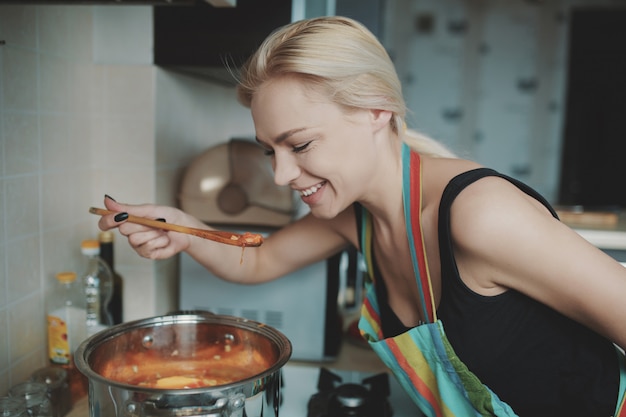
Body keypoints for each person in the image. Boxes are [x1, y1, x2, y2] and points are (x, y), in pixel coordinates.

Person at [96, 16, 626, 416]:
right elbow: (255, 263)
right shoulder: (354, 215)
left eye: (299, 144)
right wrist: (182, 230)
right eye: (269, 151)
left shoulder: (479, 215)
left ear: (376, 111)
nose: (281, 175)